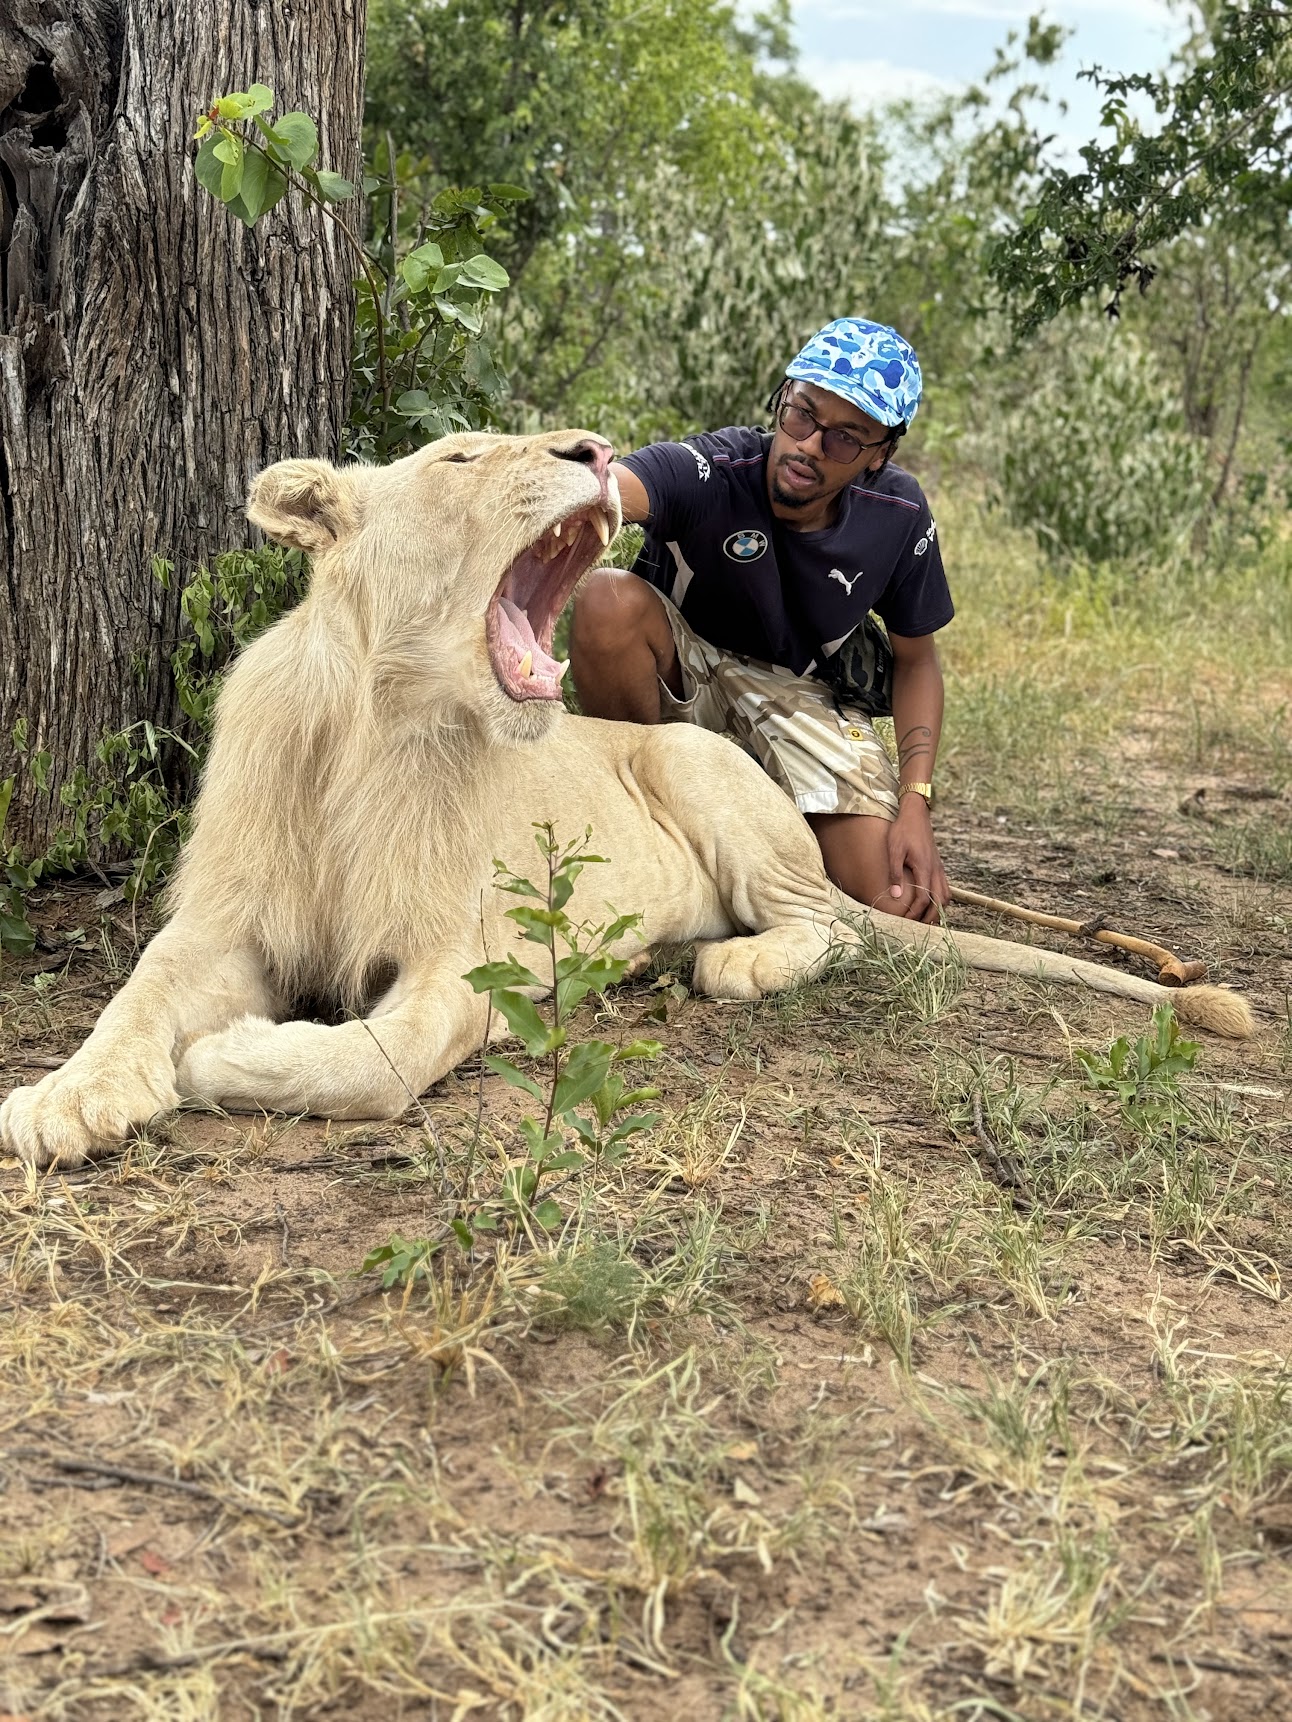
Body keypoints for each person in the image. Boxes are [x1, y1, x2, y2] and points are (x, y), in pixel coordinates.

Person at [570, 317, 953, 922]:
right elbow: (620, 486)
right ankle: (642, 818)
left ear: (882, 453)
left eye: (845, 439)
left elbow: (917, 661)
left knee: (898, 903)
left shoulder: (899, 516)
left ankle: (769, 815)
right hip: (683, 663)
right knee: (607, 600)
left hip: (800, 693)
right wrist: (577, 482)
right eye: (801, 414)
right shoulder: (717, 468)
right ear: (783, 397)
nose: (808, 445)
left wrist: (915, 803)